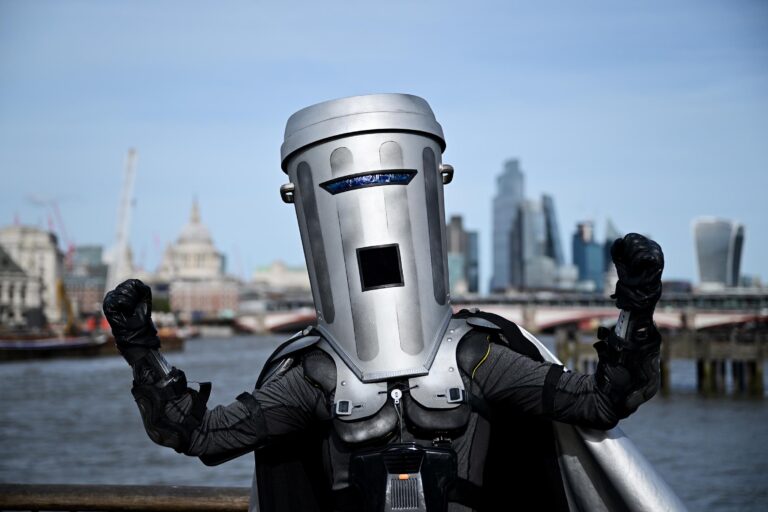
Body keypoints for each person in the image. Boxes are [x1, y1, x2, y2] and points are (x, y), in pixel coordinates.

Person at [103, 94, 666, 512]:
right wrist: (140, 350)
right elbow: (202, 435)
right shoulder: (318, 375)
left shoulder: (477, 357)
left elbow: (601, 402)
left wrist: (634, 311)